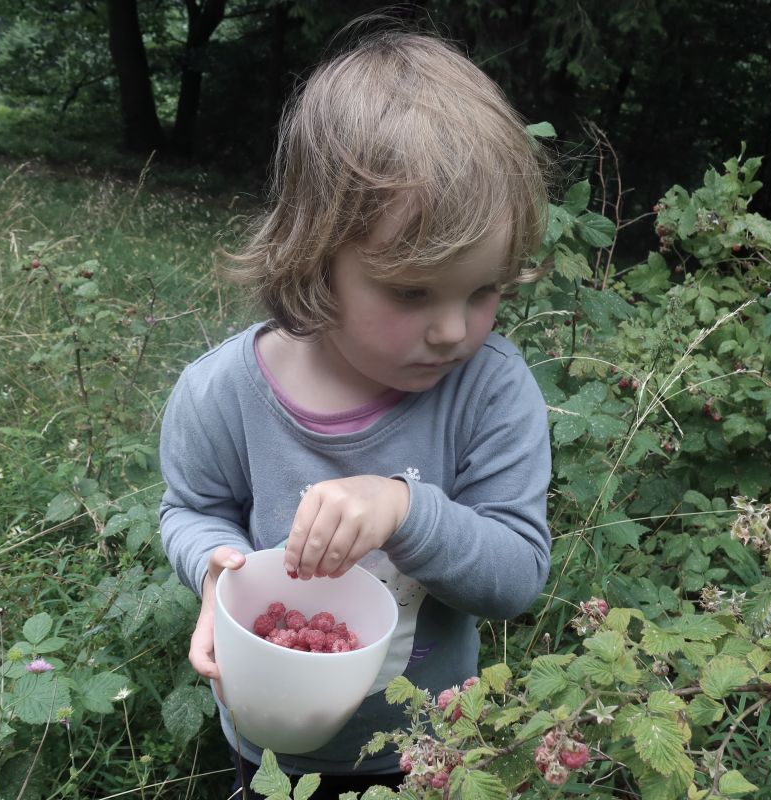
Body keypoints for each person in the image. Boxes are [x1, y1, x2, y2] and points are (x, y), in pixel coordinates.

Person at [157, 25, 553, 799]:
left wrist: (407, 510)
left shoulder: (493, 391)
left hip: (428, 751)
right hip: (265, 745)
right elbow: (191, 510)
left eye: (486, 290)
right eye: (412, 291)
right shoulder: (222, 392)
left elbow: (516, 576)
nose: (453, 330)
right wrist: (215, 571)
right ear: (314, 254)